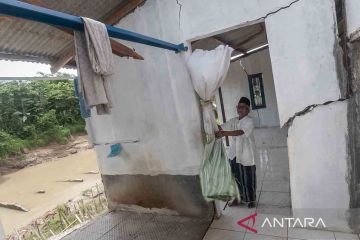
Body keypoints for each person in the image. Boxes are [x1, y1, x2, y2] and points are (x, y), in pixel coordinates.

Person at [215, 97, 257, 208]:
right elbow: (221, 127)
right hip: (233, 154)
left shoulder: (249, 121)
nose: (240, 109)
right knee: (235, 177)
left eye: (243, 107)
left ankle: (251, 199)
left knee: (248, 177)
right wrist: (212, 125)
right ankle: (237, 198)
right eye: (239, 107)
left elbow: (240, 132)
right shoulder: (234, 120)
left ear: (248, 110)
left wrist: (224, 133)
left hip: (246, 154)